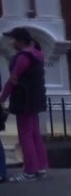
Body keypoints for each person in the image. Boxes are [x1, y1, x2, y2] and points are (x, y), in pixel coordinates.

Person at [0, 28, 49, 182]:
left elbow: (13, 80)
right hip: (35, 98)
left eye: (13, 39)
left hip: (23, 99)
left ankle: (30, 170)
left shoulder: (23, 57)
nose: (11, 43)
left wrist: (2, 98)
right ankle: (41, 167)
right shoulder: (37, 55)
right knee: (35, 134)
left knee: (25, 135)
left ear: (20, 40)